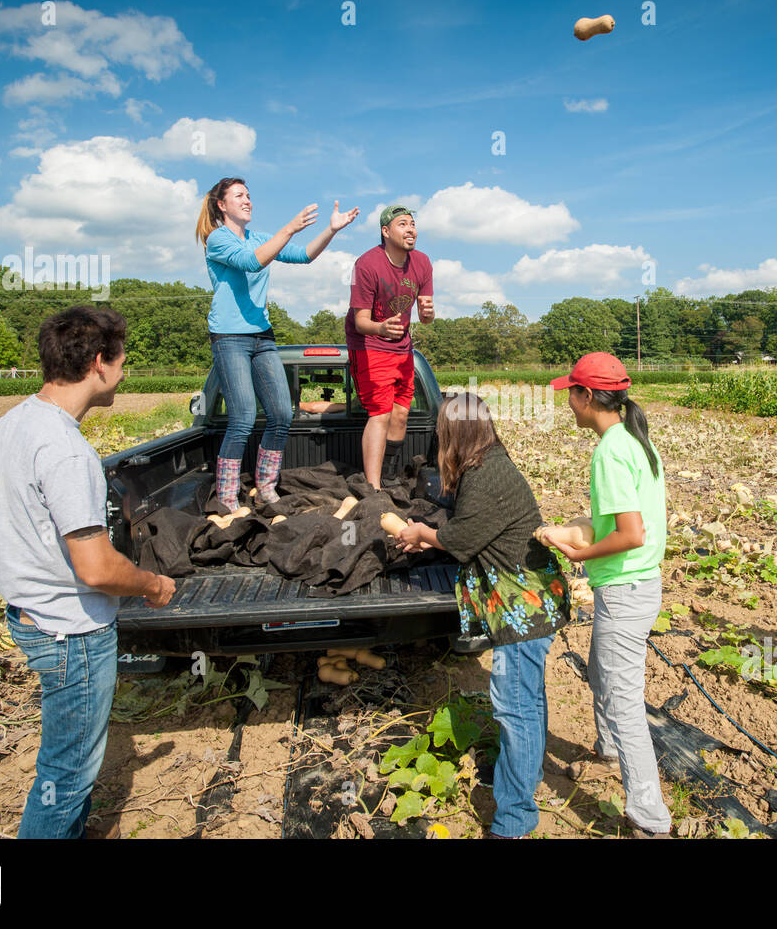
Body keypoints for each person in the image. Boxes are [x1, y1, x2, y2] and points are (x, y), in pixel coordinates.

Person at [0, 306, 177, 839]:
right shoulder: (67, 451)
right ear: (99, 362)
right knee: (66, 775)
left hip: (28, 614)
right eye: (122, 361)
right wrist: (153, 584)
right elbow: (94, 568)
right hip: (71, 632)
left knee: (64, 764)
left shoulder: (16, 421)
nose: (125, 372)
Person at [393, 393, 571, 839]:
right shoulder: (486, 462)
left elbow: (462, 539)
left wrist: (421, 532)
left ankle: (515, 819)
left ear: (456, 433)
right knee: (526, 701)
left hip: (522, 607)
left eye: (440, 431)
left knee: (515, 707)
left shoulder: (485, 477)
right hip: (526, 598)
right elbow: (460, 532)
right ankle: (521, 772)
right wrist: (429, 536)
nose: (437, 437)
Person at [545, 352, 673, 838]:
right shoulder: (635, 440)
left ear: (587, 397)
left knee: (625, 703)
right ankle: (608, 748)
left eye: (571, 394)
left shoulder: (610, 451)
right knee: (602, 671)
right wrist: (584, 530)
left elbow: (631, 533)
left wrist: (579, 551)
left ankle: (649, 817)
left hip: (624, 587)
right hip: (640, 585)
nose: (568, 404)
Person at [198, 177, 358, 509]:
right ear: (221, 205)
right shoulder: (217, 239)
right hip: (229, 337)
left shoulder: (258, 238)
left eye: (249, 195)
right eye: (239, 195)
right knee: (242, 416)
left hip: (262, 336)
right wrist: (290, 227)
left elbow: (304, 256)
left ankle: (267, 488)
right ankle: (228, 498)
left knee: (281, 413)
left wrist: (330, 230)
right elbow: (251, 262)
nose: (248, 200)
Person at [345, 204, 434, 488]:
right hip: (368, 343)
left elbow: (426, 317)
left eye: (413, 224)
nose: (411, 229)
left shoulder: (422, 263)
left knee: (401, 413)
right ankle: (373, 487)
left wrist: (429, 314)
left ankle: (389, 474)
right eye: (403, 224)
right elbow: (360, 321)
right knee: (380, 413)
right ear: (385, 232)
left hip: (401, 346)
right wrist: (382, 327)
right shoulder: (367, 264)